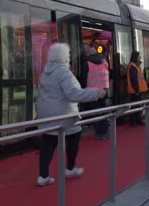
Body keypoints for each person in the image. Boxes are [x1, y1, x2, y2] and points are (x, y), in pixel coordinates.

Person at [35, 43, 105, 186]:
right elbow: (73, 93)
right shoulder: (63, 72)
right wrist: (95, 92)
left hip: (47, 113)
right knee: (74, 136)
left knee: (48, 142)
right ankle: (70, 168)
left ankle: (43, 176)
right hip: (64, 113)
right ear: (64, 56)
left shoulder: (45, 72)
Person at [84, 47, 110, 140]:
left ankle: (99, 133)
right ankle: (105, 131)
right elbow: (107, 72)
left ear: (89, 54)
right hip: (103, 90)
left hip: (92, 91)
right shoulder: (104, 61)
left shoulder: (86, 63)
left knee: (95, 113)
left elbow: (84, 77)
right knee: (103, 112)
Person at [127, 51, 148, 127]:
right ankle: (133, 122)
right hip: (134, 91)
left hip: (136, 90)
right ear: (135, 57)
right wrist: (136, 90)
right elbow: (134, 80)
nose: (140, 57)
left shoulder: (135, 66)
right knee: (134, 107)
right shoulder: (132, 66)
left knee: (137, 106)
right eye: (139, 56)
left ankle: (137, 120)